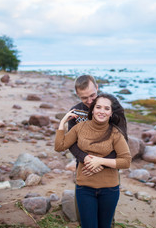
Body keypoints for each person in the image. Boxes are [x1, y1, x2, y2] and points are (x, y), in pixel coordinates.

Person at [55, 93, 131, 228]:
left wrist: (100, 161)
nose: (102, 111)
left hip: (109, 190)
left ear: (111, 113)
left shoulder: (115, 133)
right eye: (98, 107)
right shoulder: (80, 127)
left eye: (106, 108)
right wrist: (62, 123)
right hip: (84, 188)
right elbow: (59, 146)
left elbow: (125, 161)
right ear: (93, 109)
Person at [68, 75, 116, 175]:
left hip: (109, 169)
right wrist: (85, 159)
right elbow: (71, 142)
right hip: (84, 167)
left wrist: (101, 163)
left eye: (92, 95)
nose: (90, 101)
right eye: (84, 98)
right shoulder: (75, 113)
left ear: (97, 87)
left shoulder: (111, 109)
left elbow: (121, 140)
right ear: (77, 94)